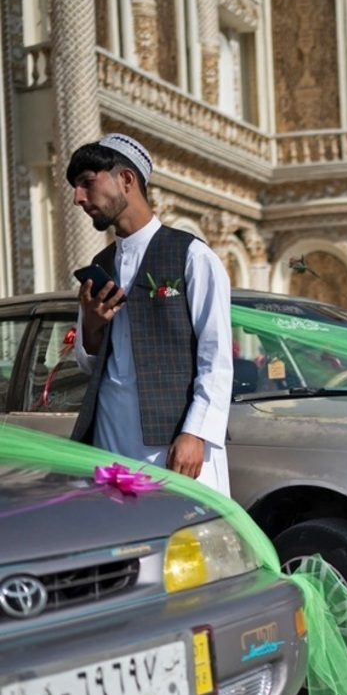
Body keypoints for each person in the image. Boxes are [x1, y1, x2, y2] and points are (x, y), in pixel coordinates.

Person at [69, 134, 234, 495]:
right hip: (110, 437)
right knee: (123, 542)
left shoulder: (191, 255)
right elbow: (88, 362)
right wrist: (93, 325)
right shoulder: (101, 264)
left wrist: (196, 432)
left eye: (87, 183)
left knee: (185, 544)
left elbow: (216, 355)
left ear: (126, 180)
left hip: (173, 441)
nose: (78, 198)